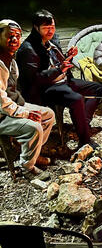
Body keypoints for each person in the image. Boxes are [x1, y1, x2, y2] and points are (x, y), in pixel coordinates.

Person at [16, 9, 102, 149]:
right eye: (46, 28)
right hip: (46, 87)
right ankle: (85, 140)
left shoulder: (51, 40)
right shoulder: (28, 48)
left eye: (52, 27)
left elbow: (57, 62)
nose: (50, 31)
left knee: (98, 89)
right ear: (36, 27)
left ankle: (83, 124)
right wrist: (59, 69)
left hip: (63, 80)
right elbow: (35, 78)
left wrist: (68, 57)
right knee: (76, 99)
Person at [0, 19, 55, 180]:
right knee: (34, 127)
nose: (14, 40)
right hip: (2, 115)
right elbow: (2, 102)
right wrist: (25, 114)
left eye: (18, 36)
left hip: (11, 108)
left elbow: (12, 91)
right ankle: (27, 167)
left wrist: (24, 108)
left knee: (48, 115)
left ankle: (32, 154)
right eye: (10, 36)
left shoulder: (11, 60)